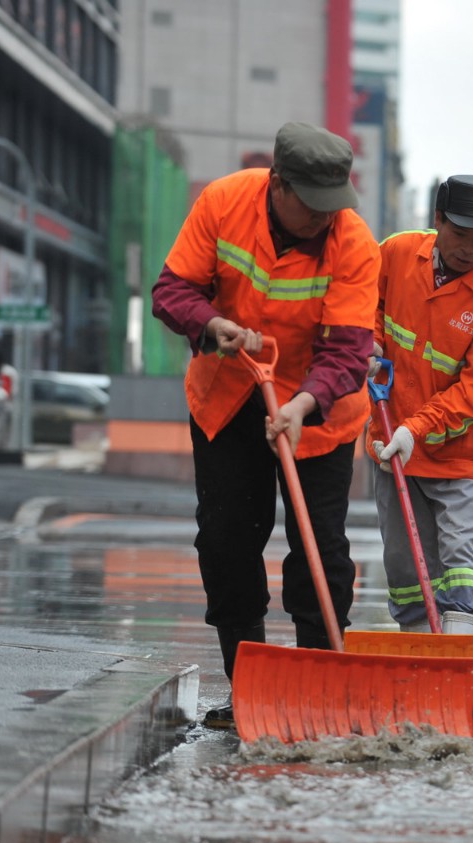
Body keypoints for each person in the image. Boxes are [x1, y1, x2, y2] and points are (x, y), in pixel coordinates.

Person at [152, 121, 379, 729]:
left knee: (318, 550)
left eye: (334, 206)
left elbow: (351, 350)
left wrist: (303, 405)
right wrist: (211, 324)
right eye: (312, 205)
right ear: (278, 184)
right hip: (227, 397)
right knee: (227, 538)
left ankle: (322, 690)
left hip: (317, 409)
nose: (324, 218)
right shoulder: (225, 201)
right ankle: (248, 685)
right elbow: (171, 291)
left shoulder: (353, 242)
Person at [369, 175, 473, 635]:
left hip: (464, 457)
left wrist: (414, 429)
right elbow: (365, 309)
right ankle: (419, 653)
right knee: (403, 563)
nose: (469, 250)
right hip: (393, 441)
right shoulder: (396, 254)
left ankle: (457, 656)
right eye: (460, 235)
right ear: (437, 220)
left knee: (459, 562)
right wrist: (370, 345)